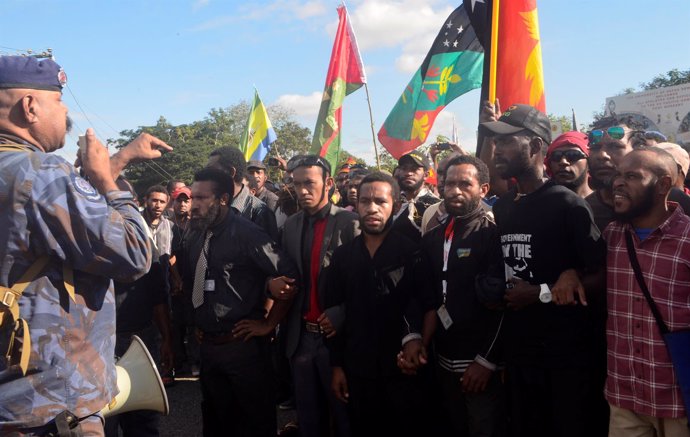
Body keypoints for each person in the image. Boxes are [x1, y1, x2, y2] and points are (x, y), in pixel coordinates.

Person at [0, 55, 171, 436]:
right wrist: (107, 184)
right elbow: (133, 253)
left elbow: (53, 223)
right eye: (59, 102)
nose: (65, 113)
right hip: (49, 401)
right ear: (30, 107)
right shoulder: (42, 172)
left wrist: (120, 158)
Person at [479, 103, 607, 437]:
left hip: (566, 358)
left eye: (507, 141)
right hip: (520, 355)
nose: (497, 149)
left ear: (535, 147)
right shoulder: (505, 206)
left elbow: (601, 275)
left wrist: (542, 293)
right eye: (495, 142)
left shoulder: (566, 204)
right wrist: (490, 287)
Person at [558, 148, 690, 437]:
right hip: (624, 399)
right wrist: (571, 272)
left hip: (679, 402)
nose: (618, 182)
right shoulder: (611, 237)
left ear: (663, 185)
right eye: (618, 176)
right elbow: (586, 270)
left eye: (632, 176)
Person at [180, 168, 298, 437]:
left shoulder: (247, 233)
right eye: (192, 197)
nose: (193, 204)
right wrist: (197, 321)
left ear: (223, 199)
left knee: (253, 421)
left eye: (201, 198)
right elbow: (192, 282)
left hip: (243, 349)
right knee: (216, 419)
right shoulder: (196, 233)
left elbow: (289, 277)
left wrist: (268, 324)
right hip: (209, 349)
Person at [326, 172, 435, 437]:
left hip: (403, 370)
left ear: (395, 205)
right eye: (365, 201)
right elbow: (334, 316)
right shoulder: (342, 257)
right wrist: (337, 366)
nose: (372, 208)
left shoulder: (413, 252)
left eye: (380, 201)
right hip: (357, 370)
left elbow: (430, 305)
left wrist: (421, 348)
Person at [421, 155, 506, 437]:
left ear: (483, 189)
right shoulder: (433, 238)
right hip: (443, 360)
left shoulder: (494, 235)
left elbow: (505, 306)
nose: (454, 191)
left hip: (480, 366)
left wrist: (486, 360)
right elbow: (428, 297)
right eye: (449, 184)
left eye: (464, 184)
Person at [281, 155, 359, 437]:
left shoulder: (350, 223)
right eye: (296, 184)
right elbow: (283, 272)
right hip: (300, 338)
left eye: (309, 184)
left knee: (344, 418)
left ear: (328, 183)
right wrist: (272, 284)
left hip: (336, 341)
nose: (302, 191)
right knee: (309, 419)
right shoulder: (290, 225)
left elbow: (366, 284)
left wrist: (342, 312)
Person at [105, 178, 174, 437]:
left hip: (139, 340)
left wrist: (167, 340)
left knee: (142, 422)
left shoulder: (145, 245)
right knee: (104, 419)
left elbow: (159, 298)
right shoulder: (84, 241)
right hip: (100, 343)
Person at [207, 146, 278, 239]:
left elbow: (267, 251)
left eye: (212, 170)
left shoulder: (259, 212)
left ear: (230, 172)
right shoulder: (211, 205)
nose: (207, 174)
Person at [392, 151, 440, 241]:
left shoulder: (435, 206)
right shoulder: (392, 202)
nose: (408, 173)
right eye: (404, 168)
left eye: (414, 169)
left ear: (426, 175)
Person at [544, 131, 592, 198]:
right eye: (556, 156)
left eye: (573, 155)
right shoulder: (538, 205)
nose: (563, 162)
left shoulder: (608, 203)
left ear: (589, 161)